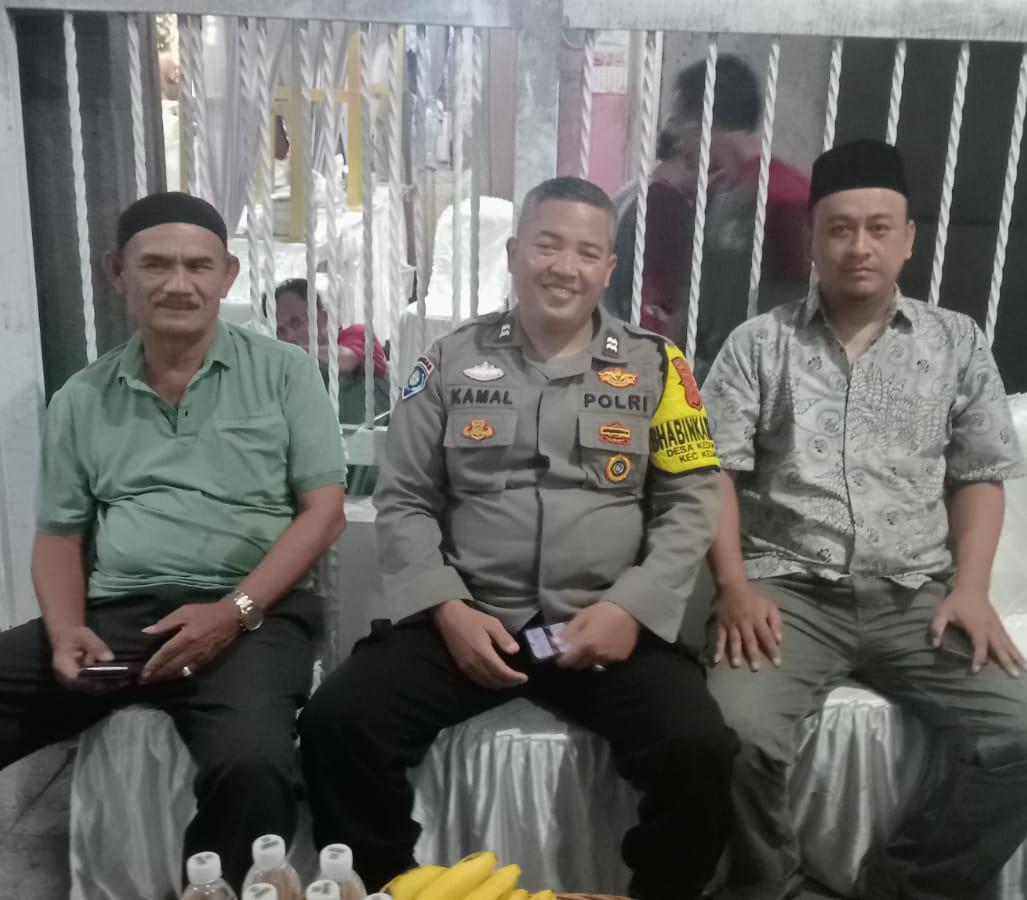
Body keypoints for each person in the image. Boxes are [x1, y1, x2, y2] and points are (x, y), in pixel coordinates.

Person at [299, 176, 737, 900]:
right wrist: (446, 607)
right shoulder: (446, 360)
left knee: (700, 750)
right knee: (337, 724)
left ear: (608, 267)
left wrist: (631, 607)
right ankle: (391, 887)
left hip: (602, 620)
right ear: (513, 252)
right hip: (470, 616)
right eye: (547, 245)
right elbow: (406, 498)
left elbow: (692, 498)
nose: (565, 267)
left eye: (586, 253)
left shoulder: (659, 366)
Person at [701, 139, 1027, 900]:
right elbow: (711, 473)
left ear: (908, 237)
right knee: (731, 734)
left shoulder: (956, 343)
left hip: (917, 596)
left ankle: (902, 889)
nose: (859, 247)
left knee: (1020, 734)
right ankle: (768, 887)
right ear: (811, 238)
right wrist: (734, 588)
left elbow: (978, 475)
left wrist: (971, 589)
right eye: (839, 228)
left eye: (879, 228)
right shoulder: (759, 345)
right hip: (787, 596)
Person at [0, 192, 347, 891]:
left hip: (254, 616)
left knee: (252, 764)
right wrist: (66, 630)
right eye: (156, 264)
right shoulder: (82, 398)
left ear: (228, 274)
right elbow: (59, 536)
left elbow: (324, 512)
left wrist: (232, 612)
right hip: (118, 616)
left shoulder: (285, 373)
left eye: (198, 265)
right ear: (116, 272)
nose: (178, 284)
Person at [606, 55, 810, 381]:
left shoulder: (784, 194)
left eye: (677, 122)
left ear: (701, 121)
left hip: (767, 377)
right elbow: (689, 293)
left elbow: (821, 292)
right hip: (709, 375)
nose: (675, 138)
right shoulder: (714, 193)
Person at [270, 277, 390, 427]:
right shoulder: (284, 368)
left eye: (296, 323)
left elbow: (345, 360)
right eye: (280, 330)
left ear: (321, 319)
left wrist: (291, 351)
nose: (289, 336)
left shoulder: (357, 334)